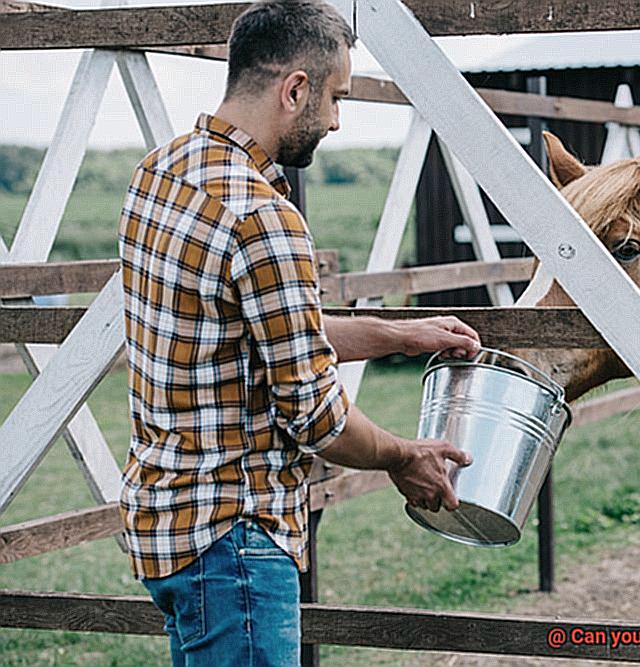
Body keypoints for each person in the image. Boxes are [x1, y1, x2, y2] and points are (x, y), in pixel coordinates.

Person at [116, 1, 480, 664]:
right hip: (236, 543)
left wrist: (399, 335)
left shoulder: (161, 173)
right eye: (337, 97)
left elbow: (265, 331)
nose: (338, 119)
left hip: (169, 524)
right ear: (295, 89)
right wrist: (403, 455)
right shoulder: (262, 216)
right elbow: (317, 418)